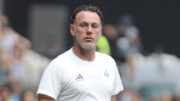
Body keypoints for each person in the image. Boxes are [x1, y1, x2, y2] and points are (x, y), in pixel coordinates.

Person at [37, 5, 124, 101]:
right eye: (83, 25)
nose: (89, 31)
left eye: (94, 26)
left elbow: (112, 98)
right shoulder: (58, 65)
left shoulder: (109, 63)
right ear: (72, 30)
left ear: (100, 32)